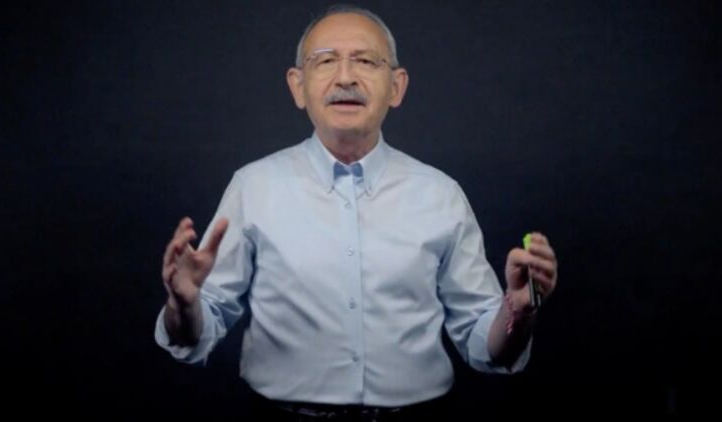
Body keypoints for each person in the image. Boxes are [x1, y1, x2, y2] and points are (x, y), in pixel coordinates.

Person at [155, 4, 558, 420]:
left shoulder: (440, 195)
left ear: (397, 87)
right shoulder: (253, 187)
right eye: (325, 60)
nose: (345, 77)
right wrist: (183, 305)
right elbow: (198, 330)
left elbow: (487, 344)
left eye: (365, 61)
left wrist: (517, 310)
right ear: (297, 86)